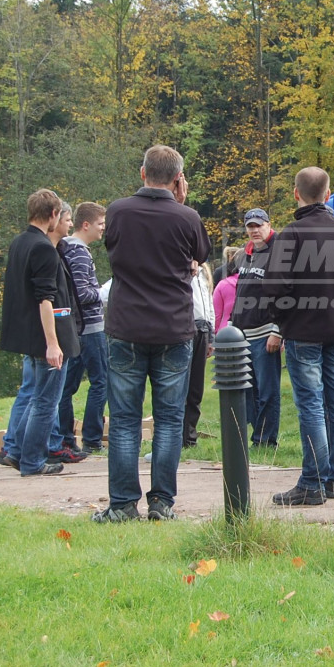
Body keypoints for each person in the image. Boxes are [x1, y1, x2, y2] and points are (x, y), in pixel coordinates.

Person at [94, 145, 211, 523]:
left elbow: (113, 248)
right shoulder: (187, 217)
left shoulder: (117, 211)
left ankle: (122, 505)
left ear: (143, 173)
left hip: (126, 325)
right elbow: (200, 254)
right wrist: (181, 204)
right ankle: (162, 502)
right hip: (174, 328)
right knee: (170, 420)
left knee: (124, 419)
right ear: (178, 179)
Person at [263, 167, 334, 505]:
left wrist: (281, 320)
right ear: (328, 194)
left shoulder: (291, 234)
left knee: (311, 405)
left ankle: (312, 482)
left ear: (296, 193)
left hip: (304, 330)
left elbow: (275, 286)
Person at [0, 189, 82, 477]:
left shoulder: (19, 242)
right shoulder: (43, 247)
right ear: (53, 214)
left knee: (36, 396)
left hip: (26, 333)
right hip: (44, 335)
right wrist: (53, 344)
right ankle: (33, 460)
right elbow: (45, 299)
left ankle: (17, 451)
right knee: (46, 401)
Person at [57, 202, 109, 453]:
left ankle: (66, 438)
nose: (103, 228)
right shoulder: (78, 252)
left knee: (67, 386)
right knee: (101, 382)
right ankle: (92, 438)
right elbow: (81, 293)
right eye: (100, 223)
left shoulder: (69, 249)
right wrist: (104, 292)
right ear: (86, 225)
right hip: (90, 327)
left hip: (77, 328)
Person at [230, 208, 281, 449]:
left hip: (265, 333)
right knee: (247, 390)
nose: (254, 230)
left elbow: (286, 294)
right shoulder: (246, 253)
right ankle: (256, 433)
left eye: (259, 225)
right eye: (250, 226)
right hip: (242, 333)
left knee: (267, 391)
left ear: (269, 225)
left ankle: (266, 440)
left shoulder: (279, 251)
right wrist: (232, 324)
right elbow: (241, 292)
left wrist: (277, 331)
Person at [183, 263, 214, 448]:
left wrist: (211, 336)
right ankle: (178, 435)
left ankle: (189, 436)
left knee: (196, 388)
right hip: (185, 325)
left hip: (202, 328)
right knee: (181, 386)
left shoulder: (204, 272)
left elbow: (209, 305)